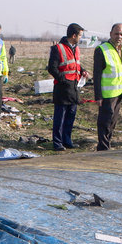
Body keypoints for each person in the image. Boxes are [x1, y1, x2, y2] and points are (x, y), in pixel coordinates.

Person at [47, 23, 89, 151]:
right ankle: (57, 143)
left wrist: (83, 71)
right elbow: (52, 68)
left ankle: (67, 140)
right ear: (74, 35)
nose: (81, 38)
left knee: (71, 116)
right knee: (60, 117)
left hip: (74, 88)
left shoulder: (76, 48)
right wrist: (63, 80)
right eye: (80, 35)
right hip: (62, 88)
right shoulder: (57, 49)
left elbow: (75, 64)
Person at [93, 23, 122, 151]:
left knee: (112, 123)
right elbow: (96, 75)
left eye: (121, 34)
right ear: (110, 34)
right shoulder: (102, 50)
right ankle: (103, 148)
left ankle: (107, 144)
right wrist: (98, 96)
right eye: (116, 33)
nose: (119, 36)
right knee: (105, 122)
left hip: (119, 92)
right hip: (107, 94)